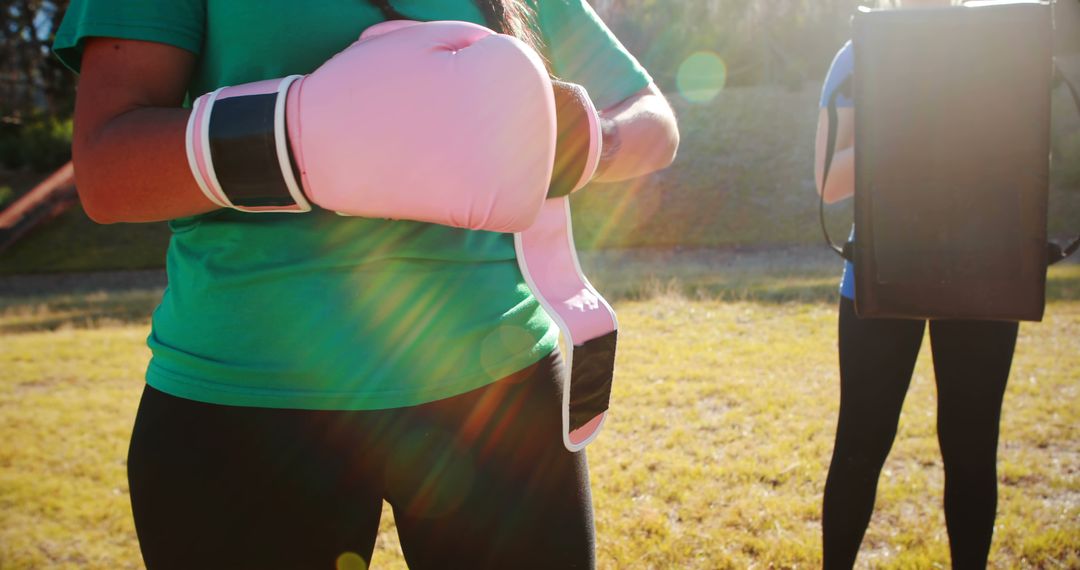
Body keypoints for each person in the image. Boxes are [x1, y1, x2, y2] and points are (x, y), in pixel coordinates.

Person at [54, 1, 679, 568]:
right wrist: (300, 132)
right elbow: (106, 172)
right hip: (246, 401)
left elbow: (654, 120)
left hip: (499, 395)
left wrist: (594, 141)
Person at [814, 1, 1019, 568]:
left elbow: (1025, 158)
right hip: (881, 276)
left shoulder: (1003, 51)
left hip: (984, 274)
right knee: (860, 446)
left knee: (973, 451)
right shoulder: (860, 52)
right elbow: (829, 183)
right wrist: (911, 117)